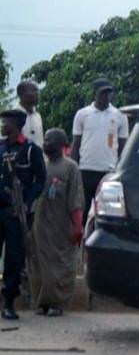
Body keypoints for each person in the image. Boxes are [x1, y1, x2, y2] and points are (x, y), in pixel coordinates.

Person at [29, 129, 84, 317]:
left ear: (61, 145)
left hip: (61, 226)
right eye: (44, 140)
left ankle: (57, 303)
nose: (45, 143)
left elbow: (75, 200)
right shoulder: (41, 166)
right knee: (39, 265)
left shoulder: (71, 168)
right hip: (40, 225)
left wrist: (77, 225)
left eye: (49, 140)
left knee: (60, 265)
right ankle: (42, 303)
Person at [0, 109, 46, 320]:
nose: (2, 125)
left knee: (14, 260)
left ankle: (8, 302)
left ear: (16, 124)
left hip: (15, 213)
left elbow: (40, 180)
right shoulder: (0, 147)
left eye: (6, 122)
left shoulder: (30, 150)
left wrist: (26, 200)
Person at [71, 78, 129, 220]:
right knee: (82, 212)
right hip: (86, 170)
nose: (106, 96)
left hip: (108, 172)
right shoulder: (82, 114)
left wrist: (121, 170)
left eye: (109, 93)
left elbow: (123, 146)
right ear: (95, 94)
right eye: (103, 93)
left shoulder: (120, 116)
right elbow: (76, 144)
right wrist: (73, 169)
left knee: (106, 213)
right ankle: (80, 240)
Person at [14, 81, 43, 147]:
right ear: (21, 94)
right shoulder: (14, 116)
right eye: (34, 90)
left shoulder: (37, 116)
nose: (37, 94)